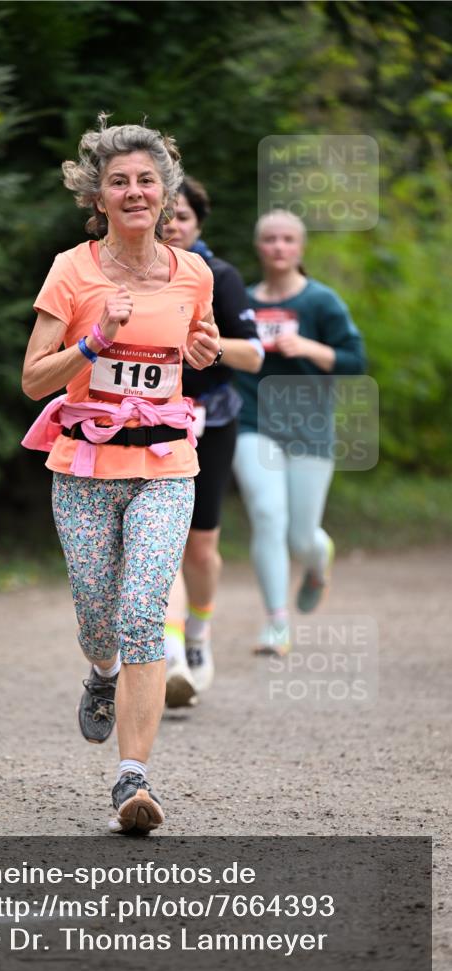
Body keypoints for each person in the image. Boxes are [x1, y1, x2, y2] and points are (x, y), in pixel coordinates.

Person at [21, 116, 221, 833]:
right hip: (82, 467)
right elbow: (34, 379)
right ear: (96, 196)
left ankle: (131, 780)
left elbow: (191, 353)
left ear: (165, 192)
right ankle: (99, 675)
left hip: (166, 464)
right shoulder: (70, 271)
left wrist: (204, 351)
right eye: (118, 182)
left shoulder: (192, 272)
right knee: (96, 615)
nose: (135, 192)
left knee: (143, 611)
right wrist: (94, 339)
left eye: (146, 180)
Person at [232, 210, 367, 655]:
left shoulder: (321, 302)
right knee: (268, 515)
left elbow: (355, 363)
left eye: (288, 239)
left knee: (300, 536)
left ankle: (317, 558)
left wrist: (308, 347)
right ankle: (276, 623)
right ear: (259, 246)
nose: (279, 247)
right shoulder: (245, 303)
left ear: (300, 247)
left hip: (310, 427)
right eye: (270, 239)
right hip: (253, 423)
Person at [161, 178, 263, 707]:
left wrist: (208, 343)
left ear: (199, 222)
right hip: (151, 424)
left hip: (213, 422)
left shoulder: (220, 276)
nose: (172, 224)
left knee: (200, 548)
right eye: (166, 215)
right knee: (163, 546)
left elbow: (255, 356)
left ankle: (197, 637)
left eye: (182, 215)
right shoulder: (138, 275)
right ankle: (172, 655)